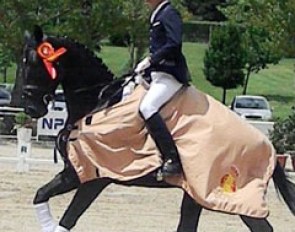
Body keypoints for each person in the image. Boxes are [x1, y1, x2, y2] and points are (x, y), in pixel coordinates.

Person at [135, 0, 190, 177]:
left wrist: (151, 60)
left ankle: (172, 159)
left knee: (147, 107)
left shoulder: (169, 13)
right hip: (158, 74)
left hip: (170, 74)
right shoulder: (158, 14)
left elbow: (174, 43)